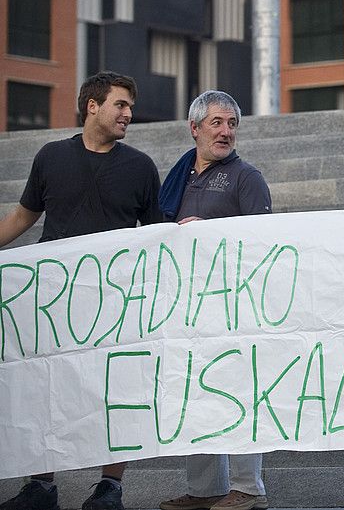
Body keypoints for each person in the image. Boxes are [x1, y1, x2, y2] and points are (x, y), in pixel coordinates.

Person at [0, 72, 162, 510]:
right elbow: (23, 217)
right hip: (51, 300)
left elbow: (157, 236)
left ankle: (110, 486)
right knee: (45, 386)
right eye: (120, 104)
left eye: (130, 106)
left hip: (115, 303)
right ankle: (41, 484)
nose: (128, 113)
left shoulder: (141, 167)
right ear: (92, 106)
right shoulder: (51, 156)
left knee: (117, 390)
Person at [157, 91, 272, 510]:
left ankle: (247, 487)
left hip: (235, 302)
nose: (226, 132)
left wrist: (209, 230)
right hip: (188, 302)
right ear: (195, 128)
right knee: (198, 390)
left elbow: (265, 241)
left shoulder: (247, 177)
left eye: (232, 124)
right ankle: (205, 488)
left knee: (240, 391)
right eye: (217, 123)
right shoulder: (177, 177)